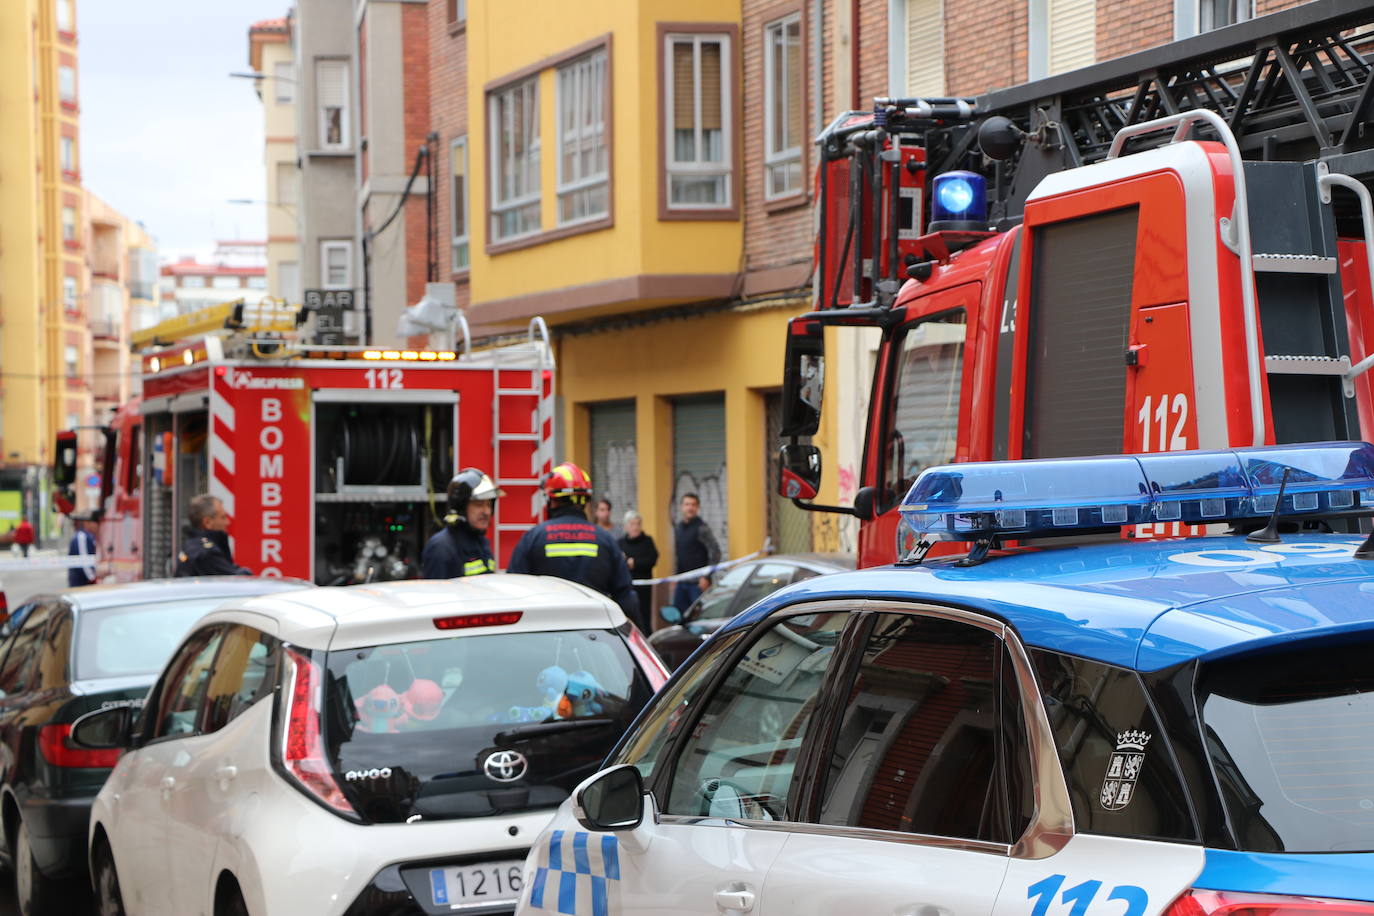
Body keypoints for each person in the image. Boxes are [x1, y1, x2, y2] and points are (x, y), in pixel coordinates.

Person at [508, 463, 640, 623]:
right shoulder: (605, 540)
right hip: (595, 633)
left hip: (545, 631)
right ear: (585, 501)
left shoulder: (534, 538)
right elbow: (626, 598)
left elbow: (513, 591)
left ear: (552, 500)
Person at [421, 468, 503, 578]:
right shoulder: (441, 548)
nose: (487, 511)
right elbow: (436, 593)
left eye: (489, 505)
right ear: (460, 507)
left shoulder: (481, 542)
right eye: (479, 504)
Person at [174, 494, 251, 577]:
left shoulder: (195, 547)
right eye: (223, 517)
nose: (228, 522)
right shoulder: (206, 553)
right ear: (207, 522)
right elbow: (234, 580)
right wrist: (245, 572)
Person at [672, 492, 720, 611]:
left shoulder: (702, 528)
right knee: (680, 618)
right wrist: (675, 579)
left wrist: (706, 577)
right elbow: (678, 554)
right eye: (687, 504)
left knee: (698, 618)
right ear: (681, 507)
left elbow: (716, 553)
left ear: (697, 508)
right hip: (682, 583)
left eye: (693, 505)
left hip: (698, 585)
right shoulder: (678, 528)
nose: (690, 508)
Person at [617, 510, 658, 633]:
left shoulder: (647, 541)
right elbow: (616, 561)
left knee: (644, 616)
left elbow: (652, 559)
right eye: (632, 524)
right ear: (626, 526)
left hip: (644, 588)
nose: (635, 527)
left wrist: (634, 563)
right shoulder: (620, 543)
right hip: (626, 587)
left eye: (638, 524)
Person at [67, 512, 99, 587]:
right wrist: (93, 579)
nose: (98, 526)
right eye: (96, 523)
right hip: (82, 585)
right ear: (87, 523)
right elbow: (84, 562)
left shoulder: (87, 536)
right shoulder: (82, 537)